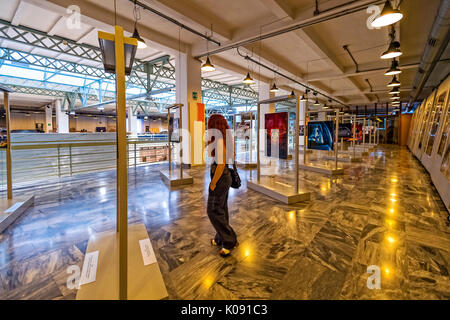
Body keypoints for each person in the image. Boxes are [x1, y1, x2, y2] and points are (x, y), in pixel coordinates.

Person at [206, 114, 238, 257]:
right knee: (221, 209)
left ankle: (229, 240)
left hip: (220, 178)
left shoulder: (219, 141)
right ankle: (220, 238)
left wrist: (213, 183)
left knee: (212, 210)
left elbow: (220, 165)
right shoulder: (224, 139)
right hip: (225, 177)